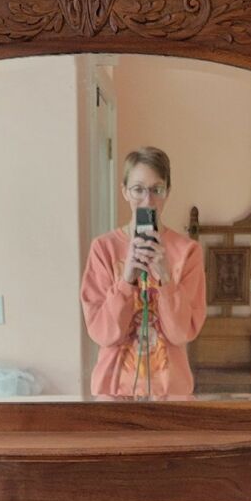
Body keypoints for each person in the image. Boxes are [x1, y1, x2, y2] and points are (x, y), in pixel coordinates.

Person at [81, 148, 207, 397]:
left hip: (171, 393)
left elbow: (182, 333)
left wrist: (166, 280)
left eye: (156, 190)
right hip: (113, 390)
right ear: (125, 191)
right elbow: (102, 333)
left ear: (167, 192)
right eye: (138, 189)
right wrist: (126, 280)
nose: (148, 201)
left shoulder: (187, 252)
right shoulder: (103, 249)